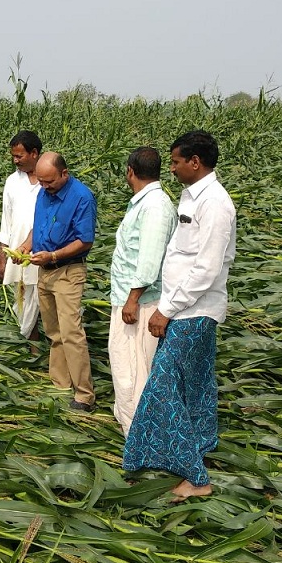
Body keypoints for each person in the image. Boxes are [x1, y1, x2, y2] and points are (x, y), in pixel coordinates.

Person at [122, 130, 236, 501]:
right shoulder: (193, 197)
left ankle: (196, 477)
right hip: (187, 309)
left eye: (174, 162)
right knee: (196, 385)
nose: (170, 169)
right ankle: (199, 447)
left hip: (193, 310)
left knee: (163, 385)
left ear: (195, 162)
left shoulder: (215, 204)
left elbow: (206, 268)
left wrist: (166, 310)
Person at [17, 152, 97, 411]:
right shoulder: (44, 193)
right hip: (45, 271)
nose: (44, 186)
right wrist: (26, 246)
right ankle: (60, 383)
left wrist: (53, 255)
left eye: (49, 181)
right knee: (54, 332)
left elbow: (85, 240)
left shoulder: (82, 197)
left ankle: (84, 395)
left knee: (71, 333)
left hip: (67, 271)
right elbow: (37, 226)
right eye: (41, 182)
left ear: (64, 173)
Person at [108, 147, 176, 436]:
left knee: (132, 371)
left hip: (140, 302)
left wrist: (132, 300)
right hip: (132, 298)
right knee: (127, 368)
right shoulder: (147, 202)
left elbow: (149, 260)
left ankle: (138, 436)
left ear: (130, 171)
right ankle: (133, 428)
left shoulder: (155, 207)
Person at [0, 130, 42, 343]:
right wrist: (1, 255)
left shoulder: (48, 179)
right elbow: (6, 220)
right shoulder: (12, 182)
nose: (15, 161)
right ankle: (30, 347)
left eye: (19, 156)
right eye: (13, 156)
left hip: (43, 252)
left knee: (42, 300)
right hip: (17, 252)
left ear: (34, 153)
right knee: (22, 298)